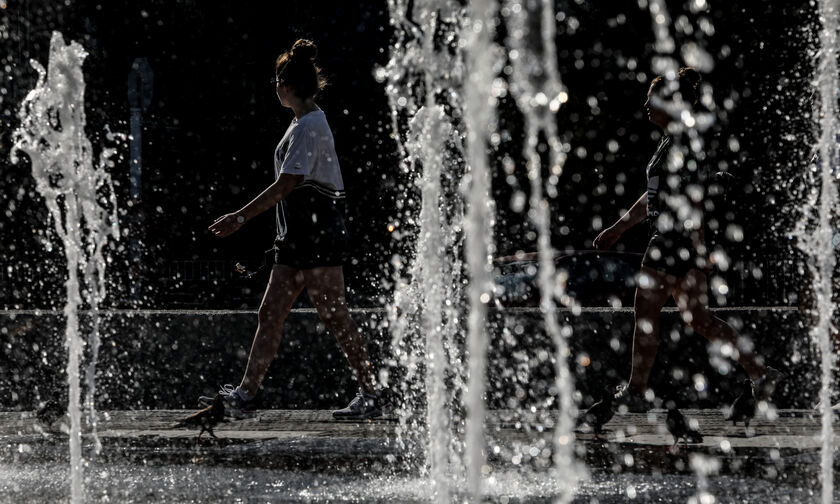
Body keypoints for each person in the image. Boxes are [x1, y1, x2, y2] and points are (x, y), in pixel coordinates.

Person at [203, 39, 388, 420]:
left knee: (335, 315)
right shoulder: (301, 123)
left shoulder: (310, 125)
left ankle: (372, 392)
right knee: (270, 313)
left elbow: (288, 183)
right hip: (297, 237)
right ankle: (247, 393)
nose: (275, 88)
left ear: (286, 86)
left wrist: (239, 218)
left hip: (317, 235)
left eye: (276, 82)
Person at [593, 67, 783, 412]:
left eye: (652, 99)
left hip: (671, 239)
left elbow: (693, 199)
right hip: (680, 240)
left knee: (646, 311)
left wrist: (697, 247)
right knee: (698, 317)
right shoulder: (671, 142)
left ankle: (636, 391)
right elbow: (653, 198)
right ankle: (760, 372)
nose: (645, 105)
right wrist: (618, 229)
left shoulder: (682, 143)